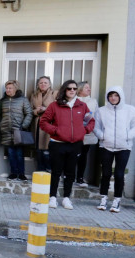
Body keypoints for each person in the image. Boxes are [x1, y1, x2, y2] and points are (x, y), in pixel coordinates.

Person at [39, 80, 94, 210]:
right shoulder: (54, 106)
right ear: (64, 90)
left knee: (70, 173)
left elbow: (90, 120)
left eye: (74, 88)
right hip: (57, 144)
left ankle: (66, 198)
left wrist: (84, 130)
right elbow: (44, 122)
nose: (72, 91)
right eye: (69, 88)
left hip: (75, 144)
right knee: (56, 172)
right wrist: (56, 131)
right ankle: (52, 197)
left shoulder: (82, 106)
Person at [93, 86, 135, 212]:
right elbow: (95, 126)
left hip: (124, 146)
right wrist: (102, 136)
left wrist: (127, 136)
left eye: (116, 95)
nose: (113, 98)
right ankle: (103, 199)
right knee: (106, 173)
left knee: (119, 174)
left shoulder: (130, 110)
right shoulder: (101, 111)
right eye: (110, 95)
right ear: (107, 97)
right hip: (106, 146)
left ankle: (117, 201)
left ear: (120, 96)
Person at [0, 80, 32, 181]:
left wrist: (24, 125)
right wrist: (1, 125)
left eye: (10, 88)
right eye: (7, 88)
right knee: (11, 153)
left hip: (18, 130)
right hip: (6, 131)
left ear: (15, 89)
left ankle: (21, 173)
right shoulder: (2, 101)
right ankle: (13, 173)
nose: (8, 90)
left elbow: (29, 113)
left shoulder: (23, 100)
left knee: (19, 153)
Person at [30, 76, 55, 172]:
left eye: (45, 82)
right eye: (41, 83)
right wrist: (36, 111)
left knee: (47, 149)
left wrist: (46, 109)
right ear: (38, 84)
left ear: (49, 84)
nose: (43, 84)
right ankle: (40, 172)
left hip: (49, 124)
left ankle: (50, 171)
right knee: (38, 150)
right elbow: (30, 110)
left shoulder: (54, 93)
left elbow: (58, 108)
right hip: (37, 124)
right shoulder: (34, 95)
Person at [75, 81, 99, 187]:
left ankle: (80, 177)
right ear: (80, 89)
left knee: (83, 155)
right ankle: (68, 176)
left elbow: (96, 116)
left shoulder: (93, 101)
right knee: (72, 154)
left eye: (89, 88)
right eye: (86, 87)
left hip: (87, 132)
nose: (89, 89)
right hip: (73, 132)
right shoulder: (73, 100)